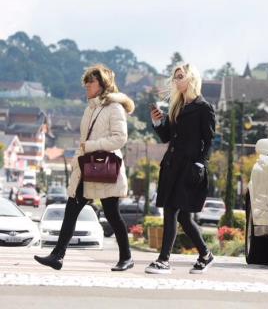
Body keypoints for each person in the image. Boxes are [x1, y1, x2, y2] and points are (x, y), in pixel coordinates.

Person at [34, 64, 135, 271]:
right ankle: (57, 256)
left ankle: (126, 257)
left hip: (105, 169)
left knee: (112, 214)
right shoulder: (90, 108)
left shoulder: (114, 107)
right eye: (86, 81)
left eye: (91, 81)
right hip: (86, 168)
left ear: (103, 84)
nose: (87, 85)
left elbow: (120, 138)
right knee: (71, 210)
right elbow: (84, 139)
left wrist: (91, 146)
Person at [145, 63, 216, 274]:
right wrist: (157, 123)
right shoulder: (177, 106)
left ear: (191, 78)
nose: (176, 80)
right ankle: (205, 254)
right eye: (175, 77)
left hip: (190, 168)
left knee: (171, 210)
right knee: (183, 216)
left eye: (180, 76)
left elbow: (210, 140)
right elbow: (167, 136)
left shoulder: (204, 107)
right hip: (171, 166)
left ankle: (164, 260)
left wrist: (200, 163)